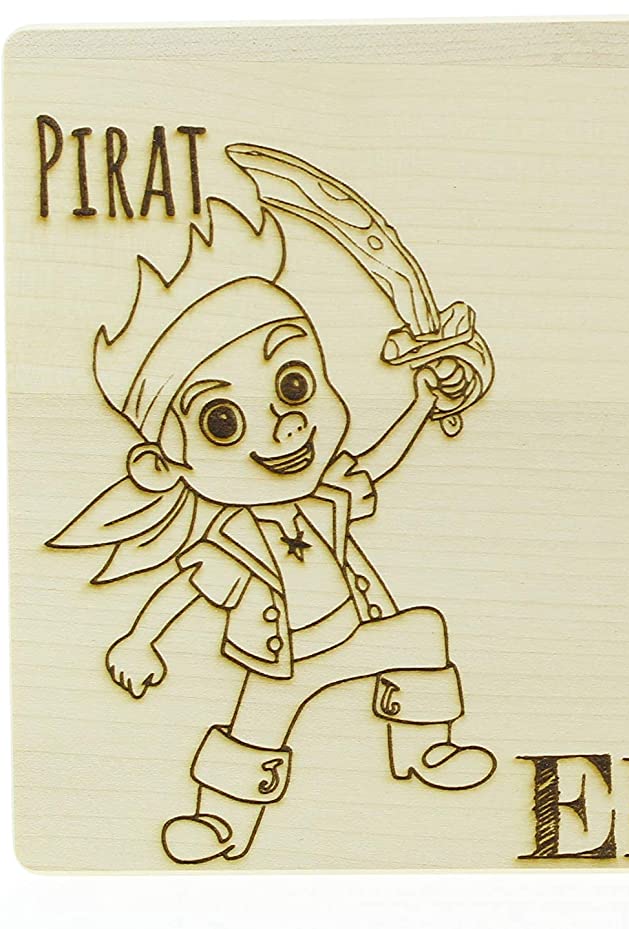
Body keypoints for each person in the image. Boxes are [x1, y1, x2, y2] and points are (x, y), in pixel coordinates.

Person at [49, 198, 495, 865]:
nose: (286, 425)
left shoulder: (325, 499)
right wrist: (141, 639)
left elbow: (377, 460)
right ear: (161, 464)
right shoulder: (231, 536)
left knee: (422, 632)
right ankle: (220, 824)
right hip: (284, 659)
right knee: (253, 733)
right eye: (223, 422)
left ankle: (423, 749)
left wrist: (424, 402)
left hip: (353, 634)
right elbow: (186, 589)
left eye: (293, 383)